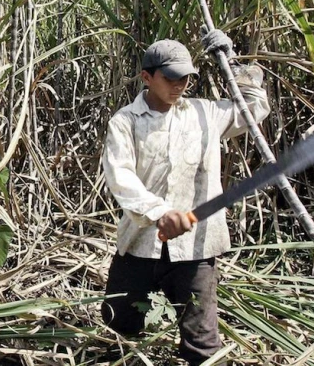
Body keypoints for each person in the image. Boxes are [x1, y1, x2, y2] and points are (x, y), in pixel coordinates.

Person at [100, 29, 270, 365]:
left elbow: (254, 108)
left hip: (195, 248)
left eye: (186, 79)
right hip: (140, 243)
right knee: (119, 323)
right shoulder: (126, 122)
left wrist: (232, 62)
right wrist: (159, 212)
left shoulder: (205, 114)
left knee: (202, 344)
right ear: (147, 77)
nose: (180, 86)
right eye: (171, 78)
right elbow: (121, 177)